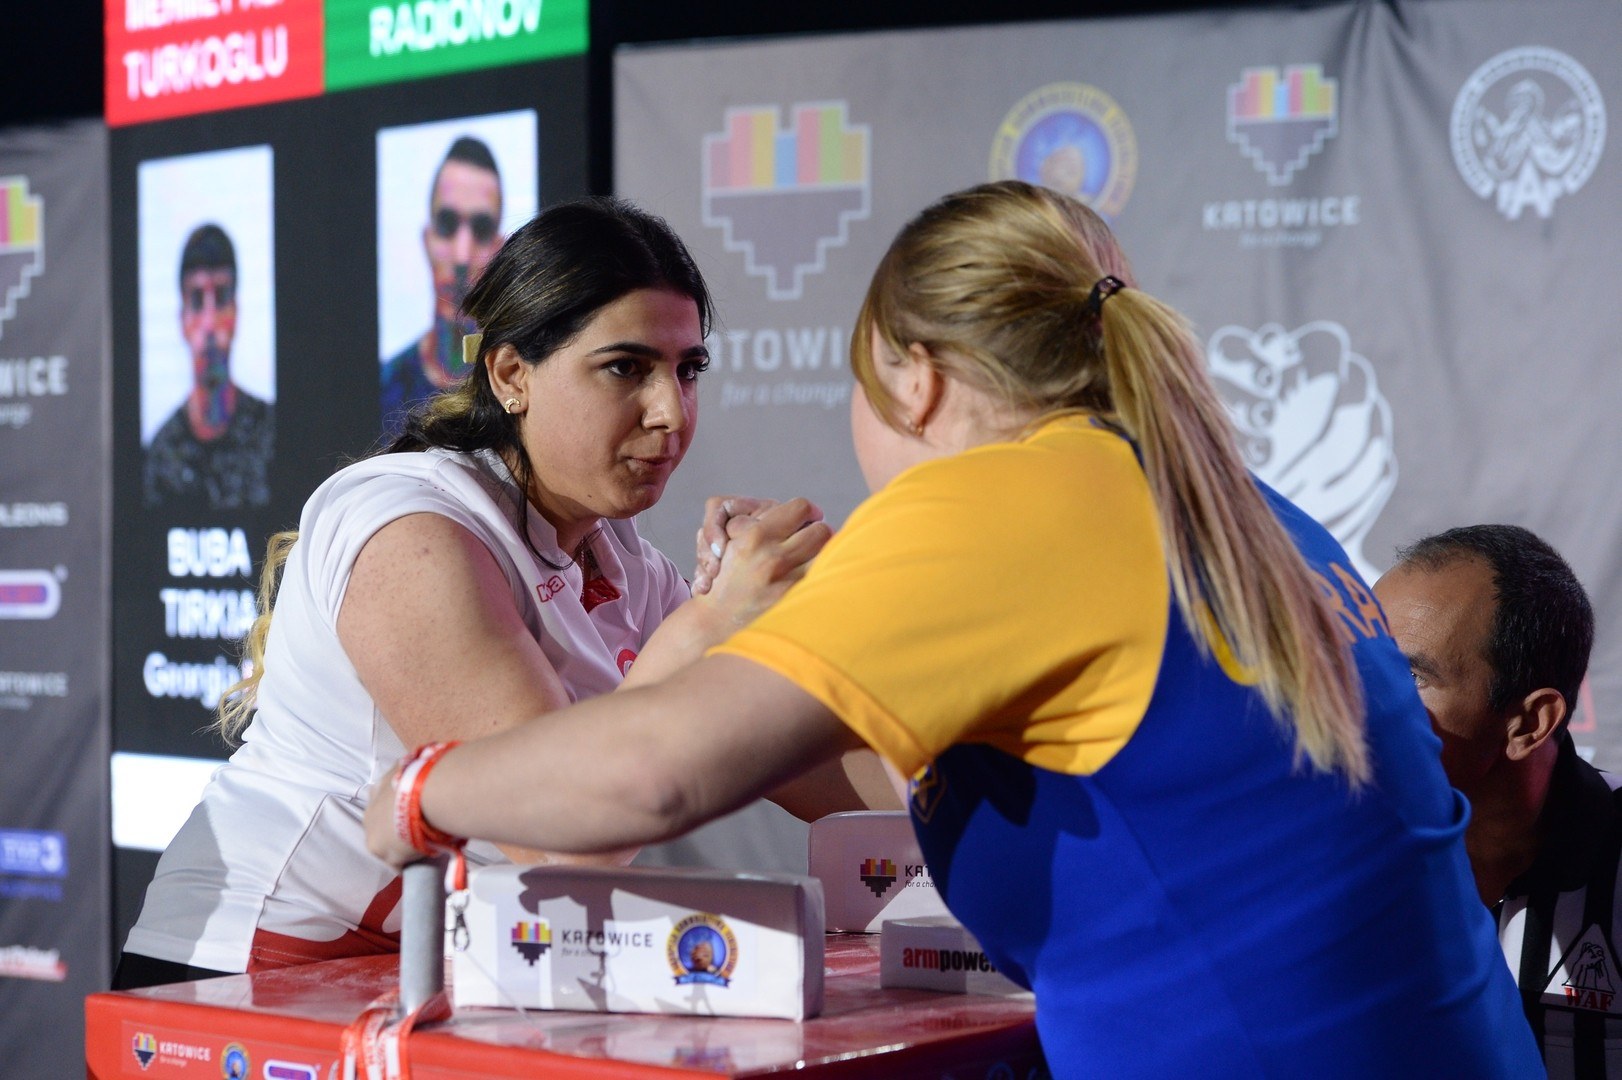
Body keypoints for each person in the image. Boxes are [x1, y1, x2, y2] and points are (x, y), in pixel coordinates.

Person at [366, 181, 1539, 1076]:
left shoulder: (995, 499)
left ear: (911, 379)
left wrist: (424, 790)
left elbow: (644, 780)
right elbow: (923, 776)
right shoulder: (1236, 505)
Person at [116, 199, 889, 990]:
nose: (671, 412)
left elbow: (843, 783)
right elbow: (564, 838)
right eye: (627, 368)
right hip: (242, 969)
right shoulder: (411, 528)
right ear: (511, 375)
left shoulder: (628, 566)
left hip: (432, 969)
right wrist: (717, 618)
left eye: (688, 370)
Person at [1375, 524, 1614, 1074]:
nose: (1361, 702)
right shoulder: (1320, 857)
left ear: (1529, 723)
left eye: (1408, 677)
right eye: (1361, 665)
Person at [380, 136, 505, 434]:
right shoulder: (382, 385)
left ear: (501, 249)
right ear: (427, 240)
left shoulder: (522, 387)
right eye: (447, 225)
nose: (462, 255)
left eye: (482, 229)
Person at [144, 223, 274, 508]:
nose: (210, 322)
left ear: (236, 313)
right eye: (198, 299)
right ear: (182, 319)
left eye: (222, 296)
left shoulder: (270, 433)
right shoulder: (162, 453)